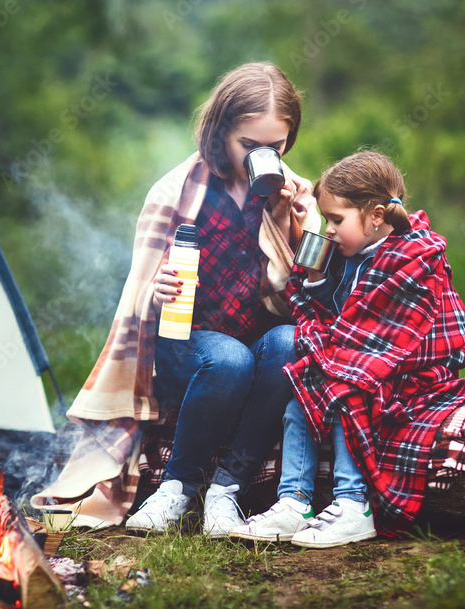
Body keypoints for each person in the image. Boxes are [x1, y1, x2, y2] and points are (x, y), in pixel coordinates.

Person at [230, 150, 465, 547]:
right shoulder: (346, 253)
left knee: (345, 399)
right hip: (360, 364)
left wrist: (349, 364)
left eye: (337, 220)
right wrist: (315, 263)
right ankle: (294, 502)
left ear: (375, 216)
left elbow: (397, 333)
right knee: (299, 402)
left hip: (407, 372)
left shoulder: (412, 257)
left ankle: (354, 505)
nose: (331, 230)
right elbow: (335, 315)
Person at [118, 62, 321, 537]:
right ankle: (176, 489)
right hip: (185, 345)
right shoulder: (177, 192)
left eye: (277, 146)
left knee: (292, 341)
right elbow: (138, 291)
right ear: (220, 130)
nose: (264, 156)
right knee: (229, 359)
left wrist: (307, 223)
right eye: (251, 146)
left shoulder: (288, 194)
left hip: (255, 341)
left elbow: (312, 289)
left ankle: (225, 491)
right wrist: (158, 288)